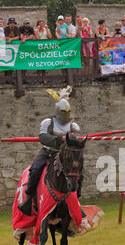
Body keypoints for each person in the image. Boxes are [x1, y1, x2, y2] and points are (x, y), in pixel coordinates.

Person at [18, 87, 82, 216]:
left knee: (77, 172)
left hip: (64, 155)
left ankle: (77, 201)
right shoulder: (47, 122)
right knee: (35, 170)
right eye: (63, 113)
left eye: (67, 114)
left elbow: (75, 141)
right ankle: (29, 198)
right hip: (48, 152)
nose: (65, 117)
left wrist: (72, 138)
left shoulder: (72, 126)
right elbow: (43, 137)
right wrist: (60, 139)